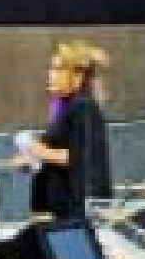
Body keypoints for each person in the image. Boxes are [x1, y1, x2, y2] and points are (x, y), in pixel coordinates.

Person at [18, 43, 113, 218]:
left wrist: (35, 149)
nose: (50, 75)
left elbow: (78, 157)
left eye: (57, 69)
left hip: (74, 213)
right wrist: (31, 159)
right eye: (51, 69)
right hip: (59, 210)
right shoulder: (66, 107)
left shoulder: (82, 106)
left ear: (78, 76)